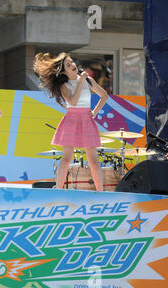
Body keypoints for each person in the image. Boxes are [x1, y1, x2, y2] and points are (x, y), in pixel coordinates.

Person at [33, 52, 108, 191]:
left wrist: (94, 112)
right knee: (66, 159)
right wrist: (80, 82)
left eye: (72, 62)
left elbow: (104, 96)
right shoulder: (64, 85)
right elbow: (73, 102)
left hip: (86, 119)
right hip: (71, 120)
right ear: (63, 71)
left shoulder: (88, 80)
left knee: (93, 160)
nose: (73, 65)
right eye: (68, 65)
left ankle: (101, 192)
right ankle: (58, 190)